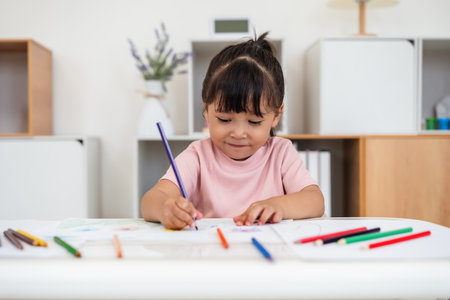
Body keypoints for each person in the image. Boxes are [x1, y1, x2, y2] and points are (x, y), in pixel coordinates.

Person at [141, 32, 324, 229]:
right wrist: (165, 208)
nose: (238, 133)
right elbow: (151, 199)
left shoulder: (280, 153)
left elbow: (316, 201)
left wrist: (278, 205)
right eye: (224, 119)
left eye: (254, 122)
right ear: (206, 109)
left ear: (276, 116)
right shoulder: (198, 156)